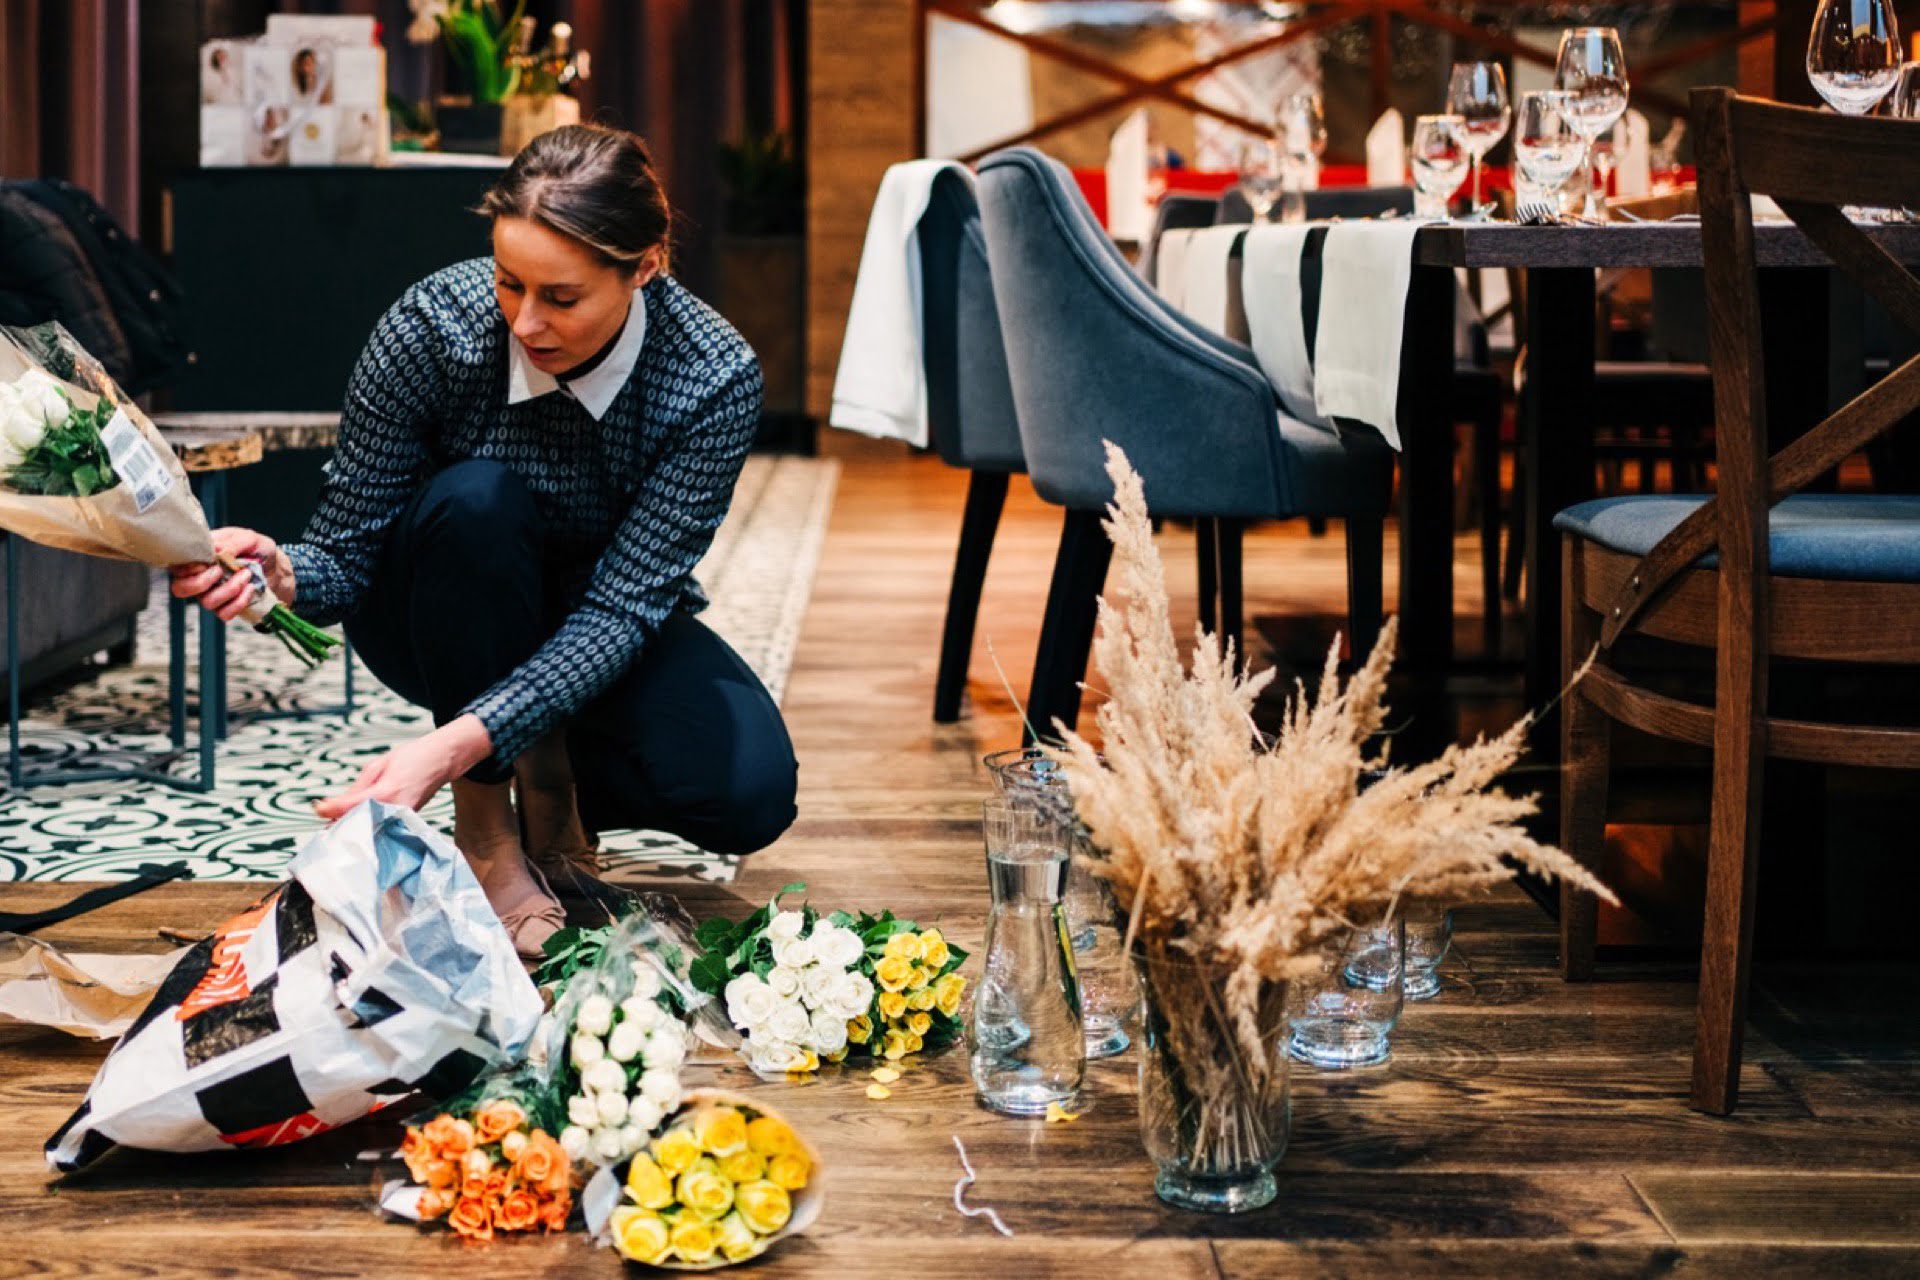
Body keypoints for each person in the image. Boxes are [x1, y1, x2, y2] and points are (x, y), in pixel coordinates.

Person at [170, 124, 798, 957]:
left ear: (644, 267)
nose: (526, 321)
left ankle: (547, 766)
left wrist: (458, 738)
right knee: (477, 500)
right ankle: (489, 835)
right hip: (445, 602)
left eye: (561, 298)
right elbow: (349, 555)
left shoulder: (712, 374)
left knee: (749, 791)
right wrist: (281, 575)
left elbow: (622, 610)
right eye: (510, 284)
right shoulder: (432, 327)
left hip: (598, 622)